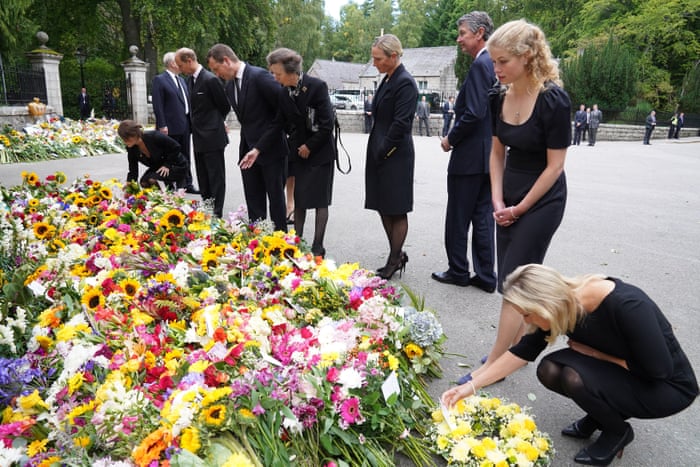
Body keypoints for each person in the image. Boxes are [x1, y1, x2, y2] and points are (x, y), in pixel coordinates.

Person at [442, 264, 698, 467]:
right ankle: (601, 414)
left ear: (544, 304)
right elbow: (522, 352)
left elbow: (658, 371)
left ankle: (616, 431)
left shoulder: (627, 305)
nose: (526, 320)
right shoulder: (563, 306)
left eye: (527, 314)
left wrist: (598, 355)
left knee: (574, 376)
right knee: (550, 369)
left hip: (666, 387)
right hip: (628, 372)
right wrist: (471, 387)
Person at [457, 19, 571, 384]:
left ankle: (493, 366)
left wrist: (520, 208)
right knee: (513, 276)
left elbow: (555, 167)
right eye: (493, 61)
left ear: (527, 56)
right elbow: (495, 153)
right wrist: (496, 198)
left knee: (513, 283)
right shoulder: (496, 96)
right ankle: (519, 346)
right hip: (505, 196)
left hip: (542, 199)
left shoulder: (553, 99)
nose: (496, 69)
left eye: (503, 61)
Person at [432, 11, 497, 293]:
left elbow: (473, 113)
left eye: (462, 34)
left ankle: (459, 270)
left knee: (458, 216)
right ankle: (485, 276)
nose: (459, 39)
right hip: (486, 158)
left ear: (479, 33)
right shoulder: (493, 63)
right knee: (482, 218)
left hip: (469, 156)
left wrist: (450, 140)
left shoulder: (482, 64)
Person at [258, 47, 335, 257]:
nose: (274, 77)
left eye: (277, 73)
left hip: (319, 153)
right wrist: (257, 149)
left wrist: (309, 146)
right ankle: (297, 242)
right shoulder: (284, 92)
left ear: (291, 71)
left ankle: (318, 247)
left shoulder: (316, 86)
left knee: (319, 201)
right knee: (300, 200)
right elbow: (277, 124)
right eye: (273, 73)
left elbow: (327, 124)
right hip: (298, 154)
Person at [206, 43, 288, 231]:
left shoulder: (259, 76)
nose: (217, 74)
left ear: (226, 61)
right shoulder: (229, 87)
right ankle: (258, 243)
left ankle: (282, 244)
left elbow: (283, 112)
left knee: (276, 201)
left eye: (217, 69)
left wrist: (260, 146)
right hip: (247, 151)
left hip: (271, 150)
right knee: (254, 200)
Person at [365, 34, 418, 280]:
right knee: (382, 204)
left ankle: (394, 258)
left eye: (378, 58)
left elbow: (401, 123)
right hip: (379, 150)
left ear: (393, 56)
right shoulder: (387, 79)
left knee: (396, 208)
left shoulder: (405, 82)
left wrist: (384, 150)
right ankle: (396, 253)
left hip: (395, 153)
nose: (374, 62)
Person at [175, 47, 230, 218]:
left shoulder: (210, 79)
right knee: (203, 175)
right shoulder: (190, 80)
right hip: (198, 137)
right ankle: (207, 207)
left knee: (215, 176)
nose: (179, 68)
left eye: (180, 64)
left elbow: (224, 105)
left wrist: (215, 123)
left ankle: (217, 212)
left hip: (213, 136)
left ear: (189, 60)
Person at [151, 52, 198, 194]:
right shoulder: (160, 80)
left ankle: (186, 184)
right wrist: (162, 125)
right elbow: (158, 104)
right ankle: (170, 183)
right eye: (178, 61)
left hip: (185, 125)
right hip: (169, 126)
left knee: (185, 156)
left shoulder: (182, 80)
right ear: (172, 63)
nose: (180, 63)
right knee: (171, 155)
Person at [118, 120, 189, 189]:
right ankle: (168, 186)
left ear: (134, 134)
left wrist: (167, 165)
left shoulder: (154, 136)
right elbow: (133, 168)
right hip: (158, 166)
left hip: (176, 164)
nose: (125, 141)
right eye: (123, 139)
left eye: (126, 138)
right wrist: (130, 183)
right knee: (144, 182)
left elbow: (176, 147)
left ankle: (174, 184)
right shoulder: (131, 148)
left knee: (152, 180)